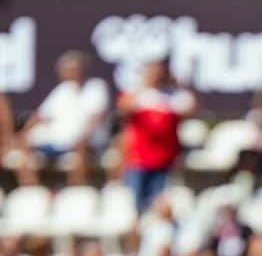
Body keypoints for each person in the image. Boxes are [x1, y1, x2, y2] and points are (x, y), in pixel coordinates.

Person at [17, 51, 109, 186]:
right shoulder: (62, 90)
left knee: (81, 144)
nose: (67, 73)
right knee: (24, 142)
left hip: (86, 142)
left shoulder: (96, 87)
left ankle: (77, 188)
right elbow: (40, 117)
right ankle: (31, 188)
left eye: (72, 69)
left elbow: (96, 117)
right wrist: (22, 133)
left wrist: (83, 136)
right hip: (58, 140)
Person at [116, 59, 197, 213]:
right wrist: (143, 85)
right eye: (152, 73)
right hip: (138, 160)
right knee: (135, 205)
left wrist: (181, 85)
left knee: (160, 204)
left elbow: (192, 108)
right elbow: (123, 108)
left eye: (159, 73)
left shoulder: (174, 96)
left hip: (165, 161)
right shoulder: (138, 95)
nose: (156, 77)